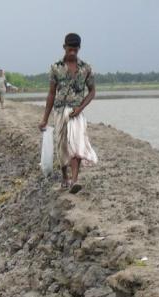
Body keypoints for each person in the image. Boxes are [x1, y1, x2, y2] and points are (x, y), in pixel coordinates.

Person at [39, 33, 98, 194]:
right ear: (64, 47)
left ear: (79, 49)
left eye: (75, 50)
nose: (72, 53)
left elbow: (92, 92)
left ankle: (75, 181)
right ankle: (64, 177)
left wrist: (80, 108)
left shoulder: (86, 68)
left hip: (76, 112)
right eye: (69, 49)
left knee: (76, 144)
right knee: (62, 145)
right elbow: (51, 93)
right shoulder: (55, 67)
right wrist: (44, 119)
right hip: (59, 111)